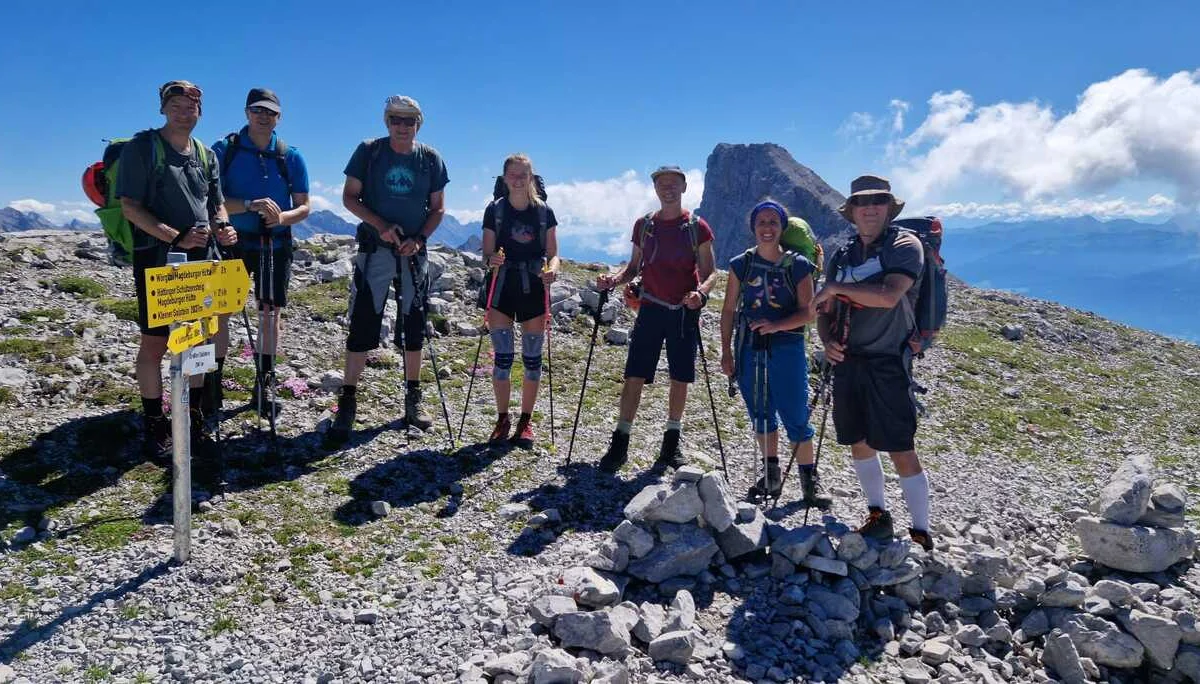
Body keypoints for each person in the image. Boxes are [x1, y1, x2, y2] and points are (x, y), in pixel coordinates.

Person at [117, 80, 237, 458]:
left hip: (201, 261)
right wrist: (175, 236)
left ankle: (191, 414)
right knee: (155, 342)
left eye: (190, 108)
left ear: (199, 111)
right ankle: (155, 420)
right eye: (176, 107)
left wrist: (223, 225)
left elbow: (215, 202)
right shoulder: (143, 148)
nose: (184, 114)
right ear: (163, 109)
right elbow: (130, 206)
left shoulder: (205, 154)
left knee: (199, 337)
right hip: (156, 259)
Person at [813, 174, 933, 551]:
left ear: (889, 209)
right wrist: (827, 341)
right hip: (848, 360)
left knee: (899, 445)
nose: (869, 209)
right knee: (858, 441)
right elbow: (824, 309)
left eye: (878, 202)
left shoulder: (905, 245)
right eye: (862, 203)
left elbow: (889, 296)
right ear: (851, 211)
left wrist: (836, 287)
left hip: (888, 360)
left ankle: (921, 531)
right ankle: (878, 515)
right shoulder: (843, 254)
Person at [327, 95, 449, 444]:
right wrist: (381, 225)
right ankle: (348, 400)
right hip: (375, 249)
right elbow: (350, 197)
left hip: (413, 251)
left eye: (409, 121)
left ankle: (413, 397)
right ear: (387, 121)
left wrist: (420, 239)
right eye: (396, 119)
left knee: (414, 322)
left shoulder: (430, 159)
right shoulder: (370, 151)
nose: (402, 126)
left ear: (418, 124)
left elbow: (438, 209)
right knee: (363, 320)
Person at [594, 166, 717, 473]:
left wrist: (700, 294)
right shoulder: (644, 225)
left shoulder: (697, 227)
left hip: (683, 312)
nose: (668, 189)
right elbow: (633, 267)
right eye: (662, 184)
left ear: (684, 187)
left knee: (680, 377)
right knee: (634, 374)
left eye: (674, 184)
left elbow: (711, 272)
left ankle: (670, 443)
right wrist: (614, 280)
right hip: (651, 308)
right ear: (655, 189)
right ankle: (621, 441)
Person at [211, 87, 311, 416]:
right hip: (233, 241)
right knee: (222, 312)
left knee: (270, 314)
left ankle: (263, 383)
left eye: (270, 112)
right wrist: (250, 205)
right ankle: (213, 383)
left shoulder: (290, 156)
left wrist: (281, 218)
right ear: (246, 112)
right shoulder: (224, 150)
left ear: (278, 117)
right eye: (257, 110)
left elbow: (304, 206)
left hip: (275, 243)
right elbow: (212, 199)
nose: (263, 116)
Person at [720, 200, 827, 505]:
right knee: (760, 411)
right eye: (761, 223)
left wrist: (776, 326)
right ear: (753, 227)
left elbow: (809, 312)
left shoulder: (799, 265)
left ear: (782, 227)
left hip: (787, 347)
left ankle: (809, 482)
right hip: (749, 346)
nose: (767, 228)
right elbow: (728, 310)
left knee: (795, 412)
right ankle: (772, 476)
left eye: (773, 222)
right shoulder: (740, 264)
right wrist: (726, 352)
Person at [480, 154, 560, 448]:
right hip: (502, 287)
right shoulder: (495, 210)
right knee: (502, 360)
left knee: (532, 360)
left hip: (532, 288)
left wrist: (553, 270)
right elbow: (486, 254)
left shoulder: (544, 212)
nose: (517, 180)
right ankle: (503, 419)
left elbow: (553, 254)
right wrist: (491, 259)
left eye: (522, 175)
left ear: (531, 178)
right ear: (504, 178)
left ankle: (524, 422)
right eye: (512, 175)